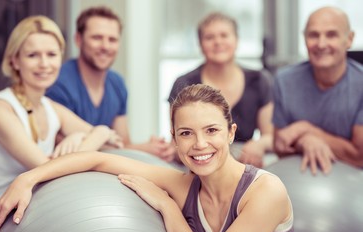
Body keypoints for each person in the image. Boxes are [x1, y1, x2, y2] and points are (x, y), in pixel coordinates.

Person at [0, 84, 295, 232]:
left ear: (231, 133)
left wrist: (167, 208)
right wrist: (29, 178)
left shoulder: (265, 191)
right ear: (173, 139)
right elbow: (97, 160)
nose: (200, 144)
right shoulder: (183, 183)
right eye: (186, 133)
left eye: (211, 130)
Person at [0, 15, 123, 232]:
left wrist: (80, 136)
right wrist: (98, 132)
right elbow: (48, 171)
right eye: (33, 55)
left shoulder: (51, 108)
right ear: (15, 60)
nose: (44, 64)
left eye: (51, 55)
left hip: (13, 221)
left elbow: (115, 144)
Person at [46, 6, 175, 162]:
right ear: (78, 40)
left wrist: (154, 149)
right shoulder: (57, 82)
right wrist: (143, 149)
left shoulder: (117, 83)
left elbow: (123, 142)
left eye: (112, 39)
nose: (105, 46)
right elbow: (66, 148)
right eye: (97, 38)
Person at [169, 12, 274, 168]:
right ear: (200, 44)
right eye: (209, 37)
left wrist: (259, 145)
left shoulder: (259, 80)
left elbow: (270, 136)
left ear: (236, 40)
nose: (218, 42)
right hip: (199, 165)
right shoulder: (183, 83)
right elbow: (177, 141)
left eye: (224, 35)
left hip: (243, 163)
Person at [272, 6, 363, 175]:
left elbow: (359, 156)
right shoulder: (284, 81)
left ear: (349, 39)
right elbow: (280, 145)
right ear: (304, 39)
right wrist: (305, 140)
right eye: (314, 35)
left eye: (331, 35)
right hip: (297, 187)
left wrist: (305, 129)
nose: (321, 44)